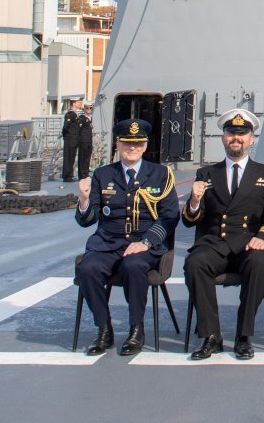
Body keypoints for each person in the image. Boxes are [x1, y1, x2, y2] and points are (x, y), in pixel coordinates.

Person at [182, 109, 264, 361]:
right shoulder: (206, 174)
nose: (236, 138)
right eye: (231, 133)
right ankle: (211, 336)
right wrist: (194, 201)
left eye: (242, 133)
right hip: (215, 244)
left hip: (249, 243)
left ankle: (243, 336)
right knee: (194, 264)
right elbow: (189, 219)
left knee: (259, 264)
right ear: (223, 138)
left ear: (251, 139)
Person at [75, 118, 179, 356]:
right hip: (108, 244)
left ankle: (136, 330)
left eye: (138, 143)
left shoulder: (160, 174)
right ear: (118, 145)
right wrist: (82, 199)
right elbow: (87, 220)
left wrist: (146, 242)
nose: (132, 148)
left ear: (144, 146)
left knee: (134, 266)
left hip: (144, 245)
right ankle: (104, 329)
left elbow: (170, 217)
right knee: (88, 268)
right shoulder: (102, 175)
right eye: (127, 143)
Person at [61, 98, 82, 181]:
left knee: (72, 158)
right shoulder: (70, 114)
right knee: (68, 157)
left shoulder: (76, 114)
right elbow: (66, 126)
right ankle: (66, 176)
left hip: (74, 139)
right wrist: (66, 136)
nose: (79, 104)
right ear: (73, 103)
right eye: (78, 102)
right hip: (69, 139)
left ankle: (70, 174)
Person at [77, 102, 94, 180]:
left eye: (90, 108)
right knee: (82, 157)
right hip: (83, 140)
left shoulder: (90, 118)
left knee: (87, 157)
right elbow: (78, 129)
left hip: (89, 140)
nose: (89, 110)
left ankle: (86, 173)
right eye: (87, 108)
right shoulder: (82, 118)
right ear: (84, 109)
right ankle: (81, 174)